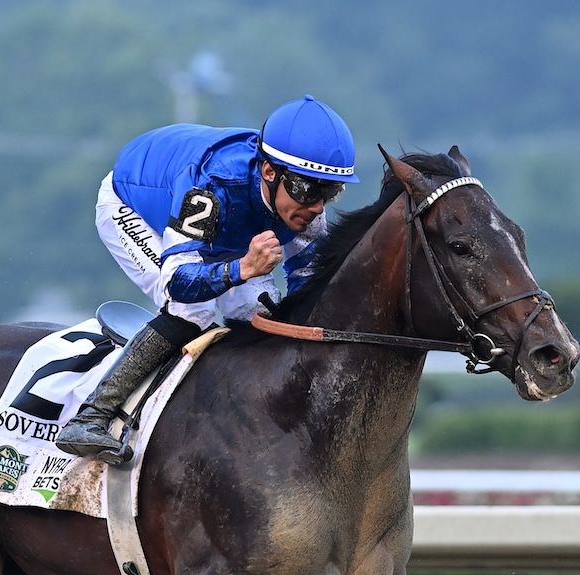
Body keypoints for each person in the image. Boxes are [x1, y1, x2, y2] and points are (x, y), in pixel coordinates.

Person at [55, 94, 358, 465]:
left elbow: (308, 297)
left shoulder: (307, 211)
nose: (316, 206)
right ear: (269, 172)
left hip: (223, 228)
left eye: (329, 192)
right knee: (192, 309)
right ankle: (92, 416)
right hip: (135, 205)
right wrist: (242, 269)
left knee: (261, 311)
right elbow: (180, 280)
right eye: (307, 190)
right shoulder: (211, 184)